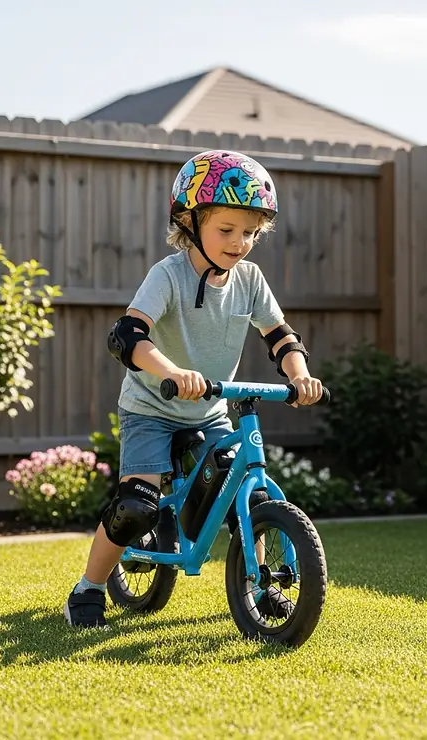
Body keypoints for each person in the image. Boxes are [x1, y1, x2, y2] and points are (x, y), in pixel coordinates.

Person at [64, 149, 324, 629]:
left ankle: (262, 587)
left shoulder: (249, 279)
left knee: (246, 496)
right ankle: (89, 589)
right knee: (136, 505)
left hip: (210, 409)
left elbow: (280, 335)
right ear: (190, 221)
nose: (239, 242)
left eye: (249, 232)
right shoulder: (168, 275)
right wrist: (169, 372)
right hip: (152, 407)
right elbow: (128, 336)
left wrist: (299, 374)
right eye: (226, 230)